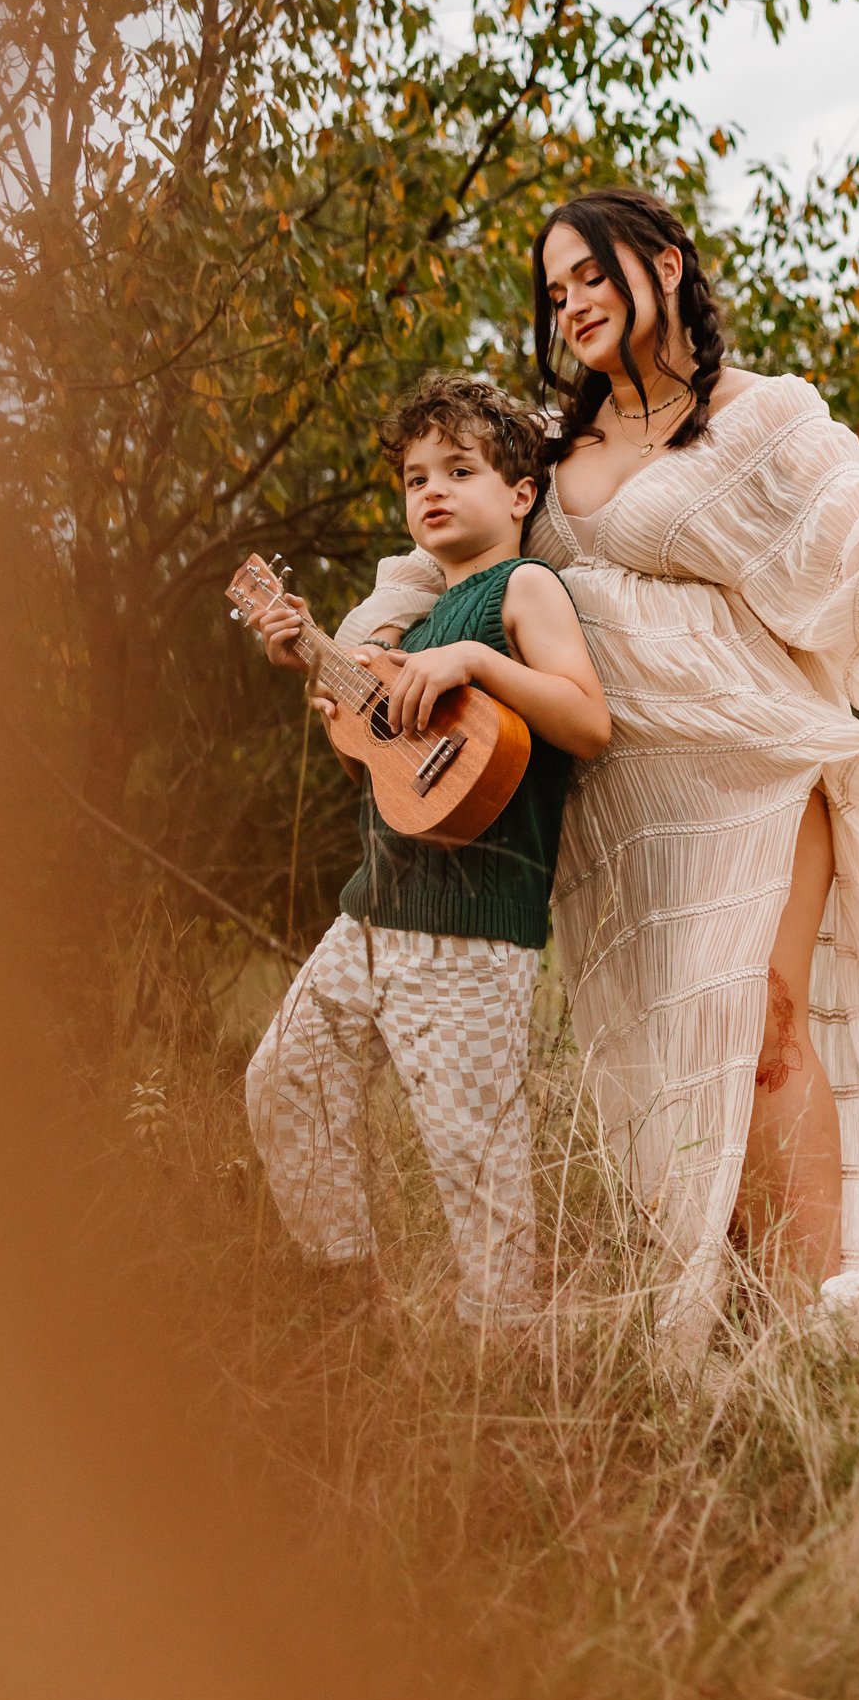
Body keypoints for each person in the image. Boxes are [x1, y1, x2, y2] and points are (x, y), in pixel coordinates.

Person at [336, 188, 859, 1352]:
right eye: (555, 286)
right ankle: (747, 1318)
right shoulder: (549, 449)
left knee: (768, 1029)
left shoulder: (759, 420)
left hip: (756, 768)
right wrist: (363, 644)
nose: (570, 300)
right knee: (693, 1065)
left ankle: (812, 1325)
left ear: (665, 265)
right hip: (628, 810)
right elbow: (441, 558)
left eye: (591, 273)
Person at [247, 379, 611, 1326]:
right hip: (370, 913)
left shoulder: (518, 590)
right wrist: (311, 659)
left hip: (471, 930)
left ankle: (507, 1364)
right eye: (416, 478)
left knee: (475, 1170)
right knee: (285, 1080)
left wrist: (478, 662)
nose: (432, 491)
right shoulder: (403, 630)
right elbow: (397, 768)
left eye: (460, 469)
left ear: (520, 495)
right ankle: (344, 1291)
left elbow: (589, 721)